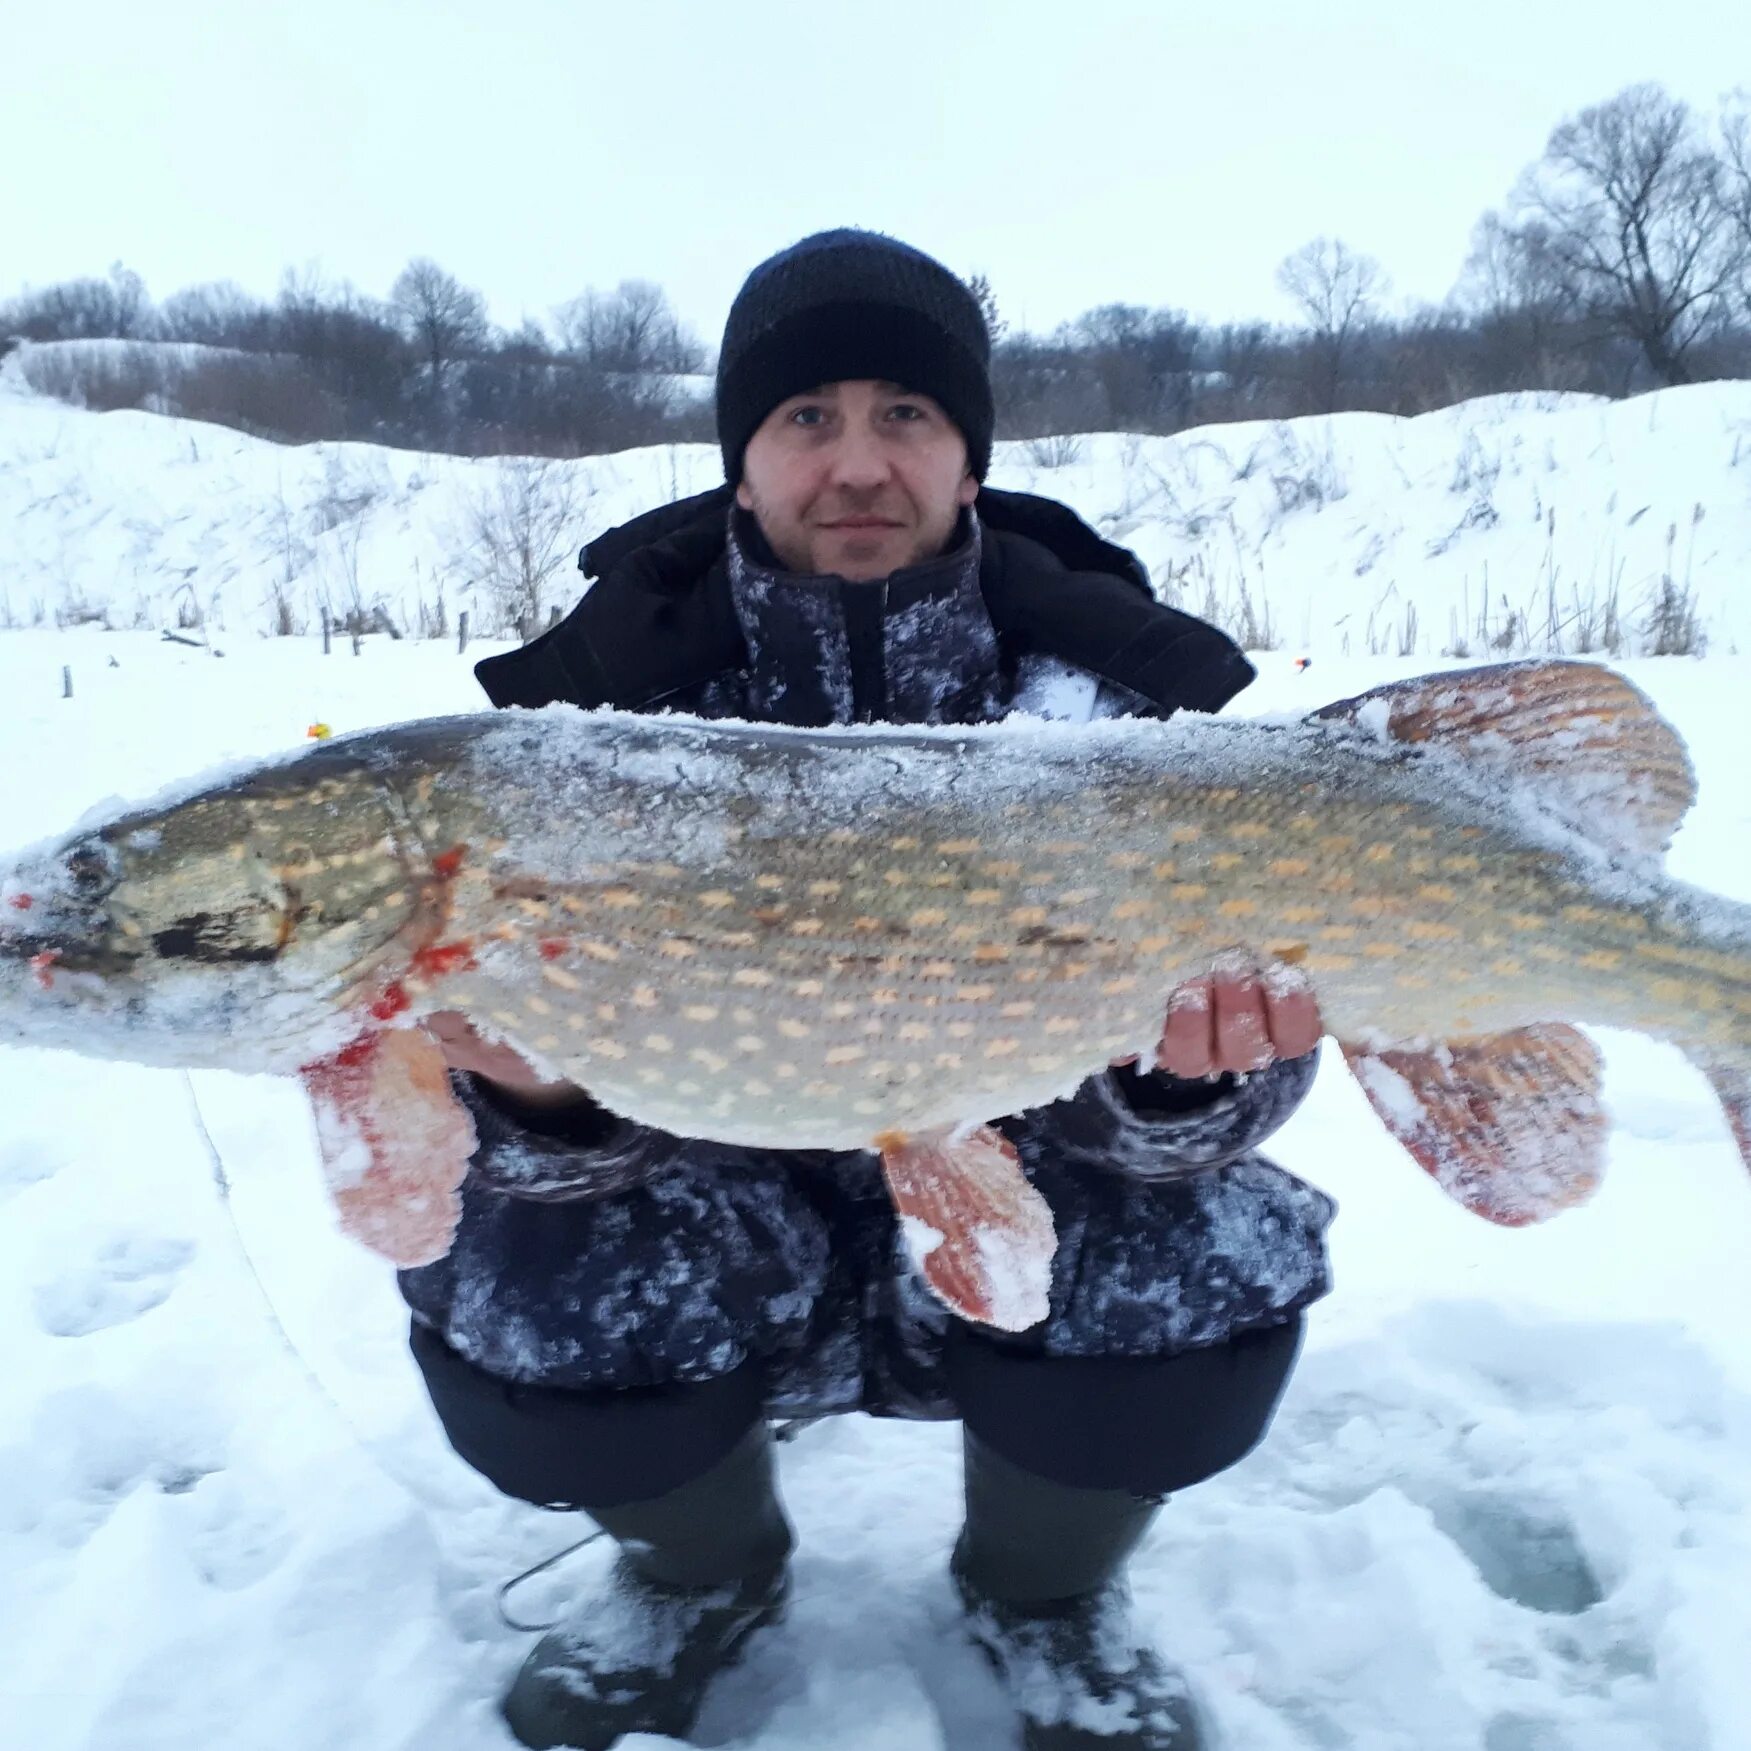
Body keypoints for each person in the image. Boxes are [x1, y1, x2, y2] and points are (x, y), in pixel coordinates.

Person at [402, 230, 1335, 1751]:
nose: (855, 462)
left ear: (969, 461)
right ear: (741, 463)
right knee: (523, 1264)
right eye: (805, 418)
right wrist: (541, 1096)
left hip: (1026, 1211)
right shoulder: (579, 740)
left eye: (905, 414)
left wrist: (1184, 1085)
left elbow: (1267, 1067)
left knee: (1199, 1245)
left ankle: (1044, 1600)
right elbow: (471, 1110)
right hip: (717, 1231)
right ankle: (698, 1578)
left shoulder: (1123, 724)